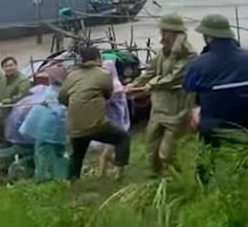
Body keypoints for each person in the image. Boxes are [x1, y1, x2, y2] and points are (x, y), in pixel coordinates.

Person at [125, 15, 197, 176]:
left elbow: (174, 77)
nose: (162, 36)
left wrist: (152, 84)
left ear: (176, 33)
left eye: (166, 32)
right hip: (158, 107)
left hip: (177, 108)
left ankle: (175, 181)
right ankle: (156, 180)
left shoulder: (189, 55)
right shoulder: (162, 52)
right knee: (151, 148)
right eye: (162, 32)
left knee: (166, 153)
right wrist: (134, 84)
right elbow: (150, 71)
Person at [183, 14, 248, 146]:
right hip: (244, 121)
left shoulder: (199, 63)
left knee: (209, 159)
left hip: (211, 124)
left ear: (209, 37)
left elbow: (188, 86)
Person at [60, 45, 131, 181]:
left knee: (77, 154)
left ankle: (71, 185)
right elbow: (108, 94)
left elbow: (62, 97)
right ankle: (118, 172)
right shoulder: (104, 74)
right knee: (123, 138)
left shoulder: (72, 75)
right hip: (96, 123)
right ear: (98, 58)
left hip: (74, 125)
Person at [20, 65, 70, 182]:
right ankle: (58, 178)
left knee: (47, 154)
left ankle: (47, 178)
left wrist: (49, 106)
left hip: (49, 130)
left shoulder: (56, 92)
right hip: (51, 129)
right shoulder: (55, 90)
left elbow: (60, 110)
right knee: (54, 154)